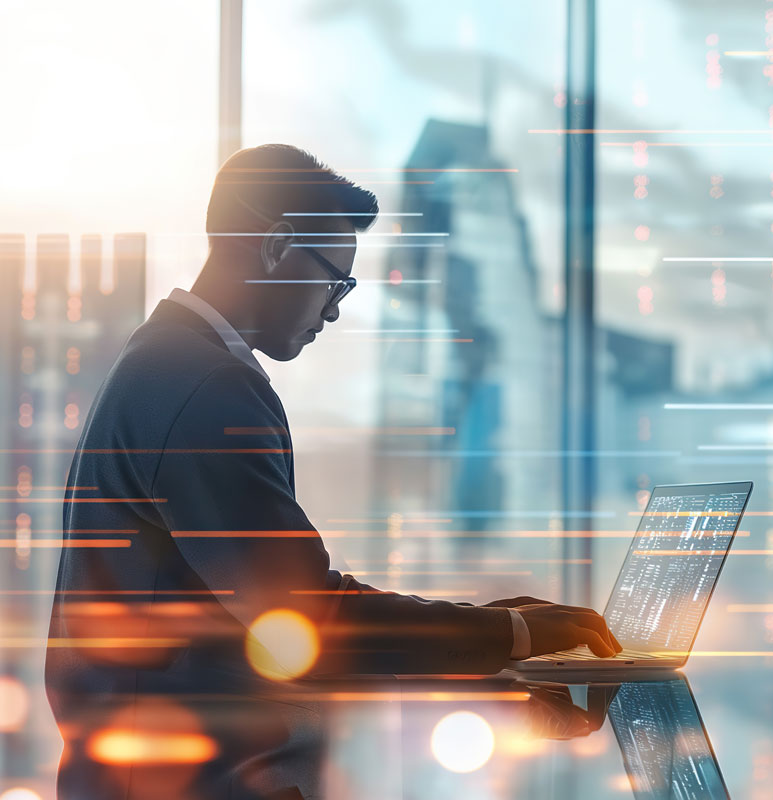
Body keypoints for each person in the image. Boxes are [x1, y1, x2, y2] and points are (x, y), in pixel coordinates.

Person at [45, 143, 619, 738]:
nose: (334, 310)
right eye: (334, 282)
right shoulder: (206, 386)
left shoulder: (164, 361)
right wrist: (511, 637)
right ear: (276, 248)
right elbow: (305, 619)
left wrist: (488, 648)